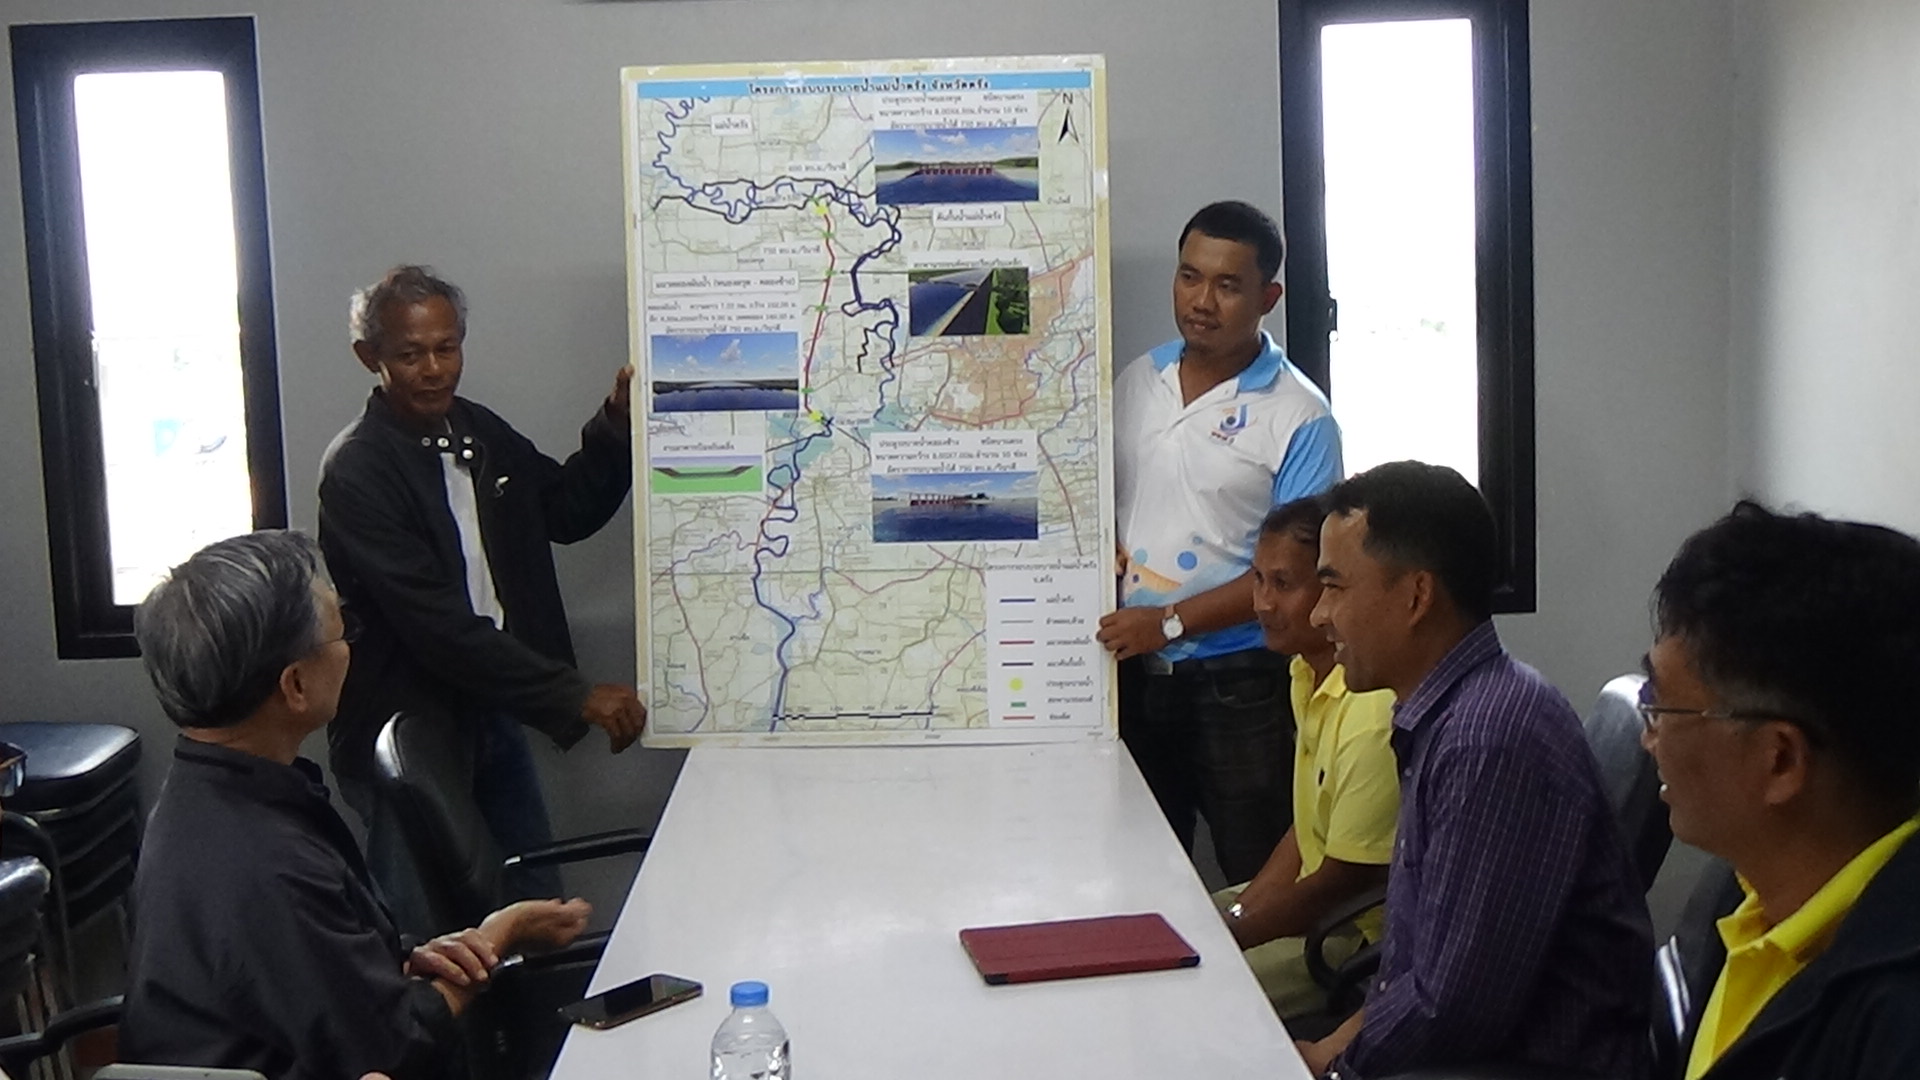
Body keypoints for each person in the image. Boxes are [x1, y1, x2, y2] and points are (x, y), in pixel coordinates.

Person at [122, 530, 592, 1080]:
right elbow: (390, 1046)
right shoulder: (267, 862)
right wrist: (499, 935)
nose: (350, 649)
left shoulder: (203, 795)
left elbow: (310, 969)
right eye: (342, 633)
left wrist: (400, 958)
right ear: (295, 684)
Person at [318, 265, 643, 934]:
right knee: (433, 939)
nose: (434, 369)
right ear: (369, 357)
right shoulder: (358, 468)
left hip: (490, 714)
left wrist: (616, 424)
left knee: (535, 913)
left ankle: (536, 1009)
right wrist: (572, 694)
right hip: (404, 737)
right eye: (411, 354)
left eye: (447, 347)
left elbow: (564, 509)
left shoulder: (476, 431)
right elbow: (435, 625)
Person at [1300, 461, 1652, 1079]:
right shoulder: (1449, 712)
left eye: (1334, 588)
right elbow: (1415, 972)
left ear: (1417, 596)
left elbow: (1450, 1011)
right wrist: (1330, 1049)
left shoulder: (1487, 740)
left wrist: (1333, 1071)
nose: (1318, 615)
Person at [1099, 200, 1343, 884]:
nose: (1202, 301)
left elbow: (1295, 575)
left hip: (1242, 685)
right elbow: (1103, 499)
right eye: (1189, 277)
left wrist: (1169, 621)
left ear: (1269, 298)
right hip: (1130, 678)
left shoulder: (1300, 416)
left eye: (1228, 286)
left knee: (1257, 868)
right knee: (1139, 874)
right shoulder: (1137, 382)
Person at [1643, 503, 1920, 1079]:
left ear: (1780, 760)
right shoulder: (1747, 893)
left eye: (1662, 707)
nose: (1650, 738)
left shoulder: (1898, 1024)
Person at [1215, 495, 1398, 1018]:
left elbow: (1346, 882)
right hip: (1315, 903)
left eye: (1283, 584)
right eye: (1258, 580)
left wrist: (1235, 932)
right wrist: (1239, 914)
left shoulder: (1371, 706)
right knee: (1175, 921)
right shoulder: (1305, 670)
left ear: (1330, 588)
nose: (1262, 604)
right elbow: (1306, 830)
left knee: (1196, 986)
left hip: (1353, 934)